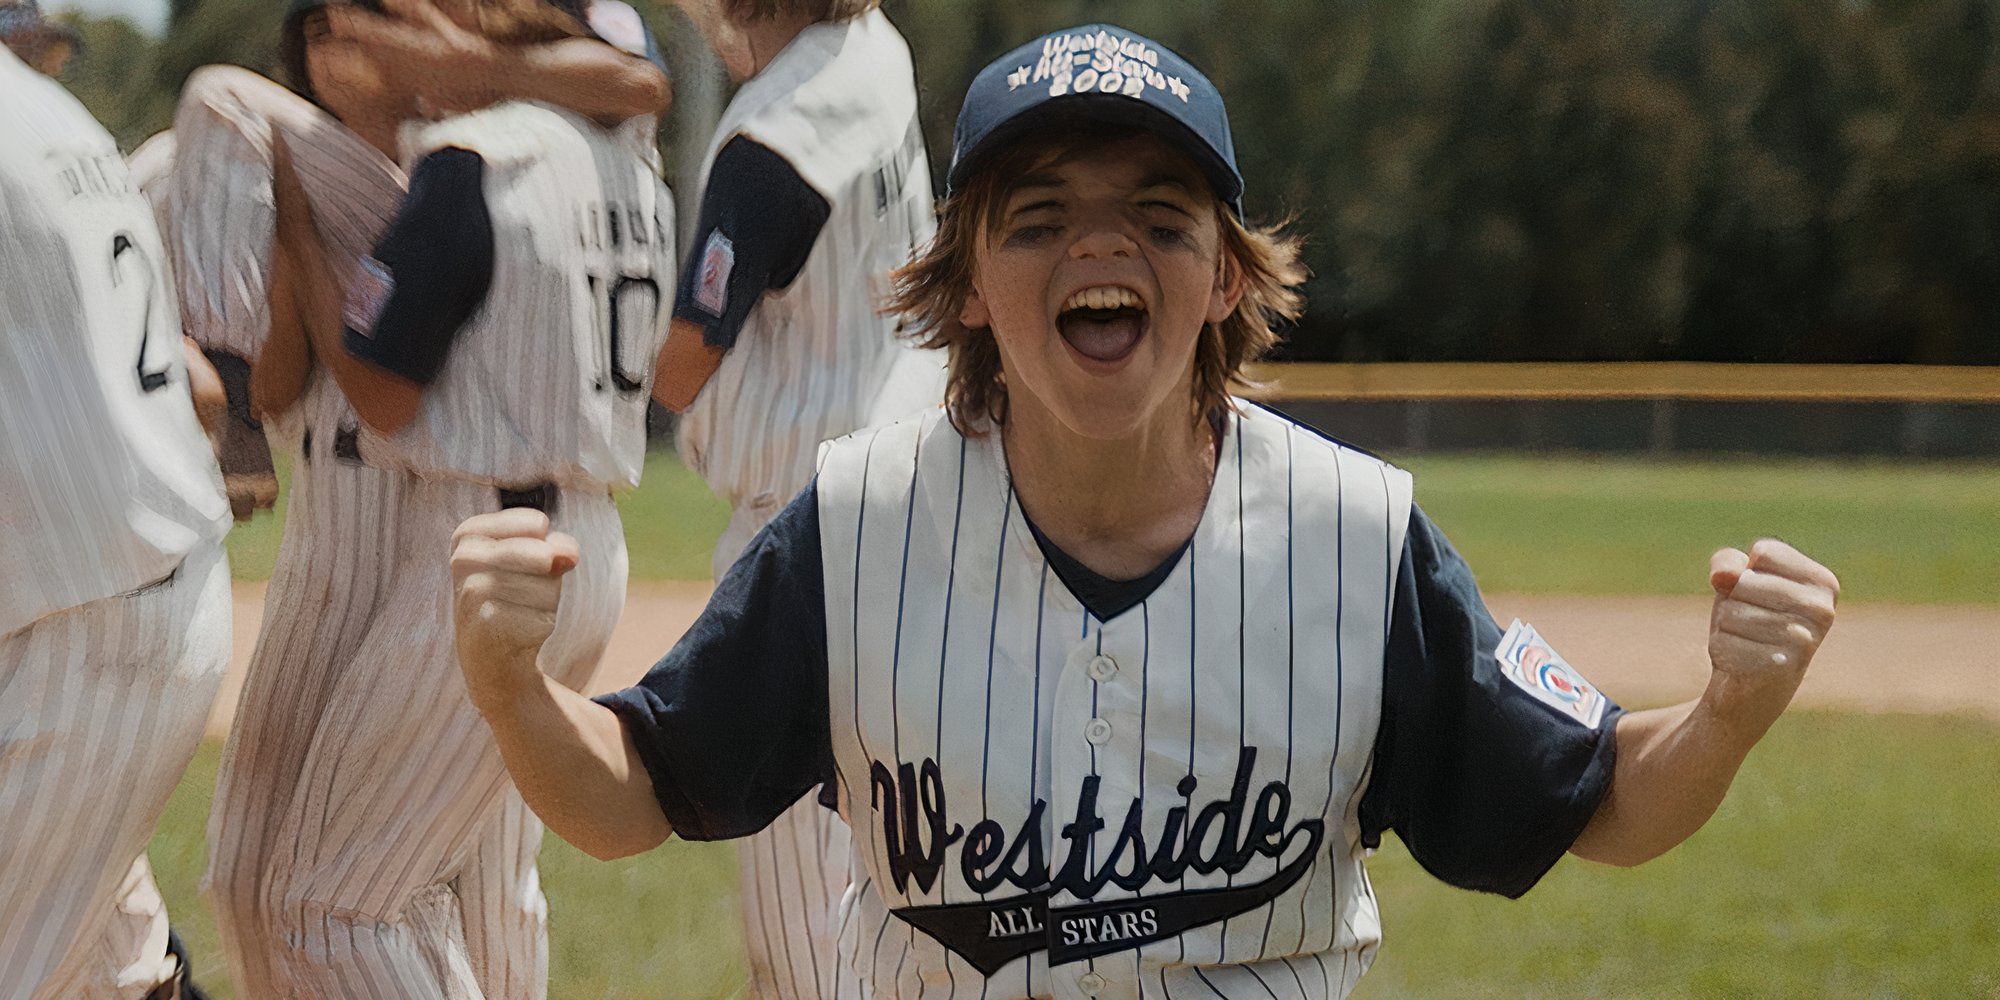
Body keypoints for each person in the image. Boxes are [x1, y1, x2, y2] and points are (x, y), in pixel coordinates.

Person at [449, 22, 1842, 999]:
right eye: (1038, 215)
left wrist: (1728, 713)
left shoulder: (1354, 539)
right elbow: (635, 793)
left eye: (1160, 214)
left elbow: (1595, 801)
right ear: (973, 286)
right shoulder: (859, 526)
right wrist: (512, 689)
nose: (1101, 244)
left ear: (1226, 280)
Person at [142, 0, 669, 994]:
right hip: (527, 530)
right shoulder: (605, 159)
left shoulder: (473, 161)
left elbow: (383, 395)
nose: (367, 46)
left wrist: (302, 234)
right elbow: (288, 380)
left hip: (479, 537)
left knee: (345, 898)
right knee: (321, 886)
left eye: (384, 25)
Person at [647, 1, 938, 990]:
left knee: (806, 930)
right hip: (906, 493)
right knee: (895, 884)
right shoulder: (876, 49)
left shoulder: (776, 130)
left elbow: (684, 363)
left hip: (803, 528)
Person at [0, 25, 233, 999]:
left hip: (72, 632)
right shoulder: (55, 118)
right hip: (136, 602)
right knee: (115, 970)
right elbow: (203, 389)